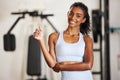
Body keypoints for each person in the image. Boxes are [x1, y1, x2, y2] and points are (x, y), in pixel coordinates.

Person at [34, 2, 94, 80]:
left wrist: (62, 66)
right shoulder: (54, 37)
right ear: (67, 14)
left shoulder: (86, 39)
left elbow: (88, 65)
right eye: (71, 13)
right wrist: (41, 40)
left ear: (83, 20)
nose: (73, 18)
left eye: (78, 16)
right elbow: (52, 64)